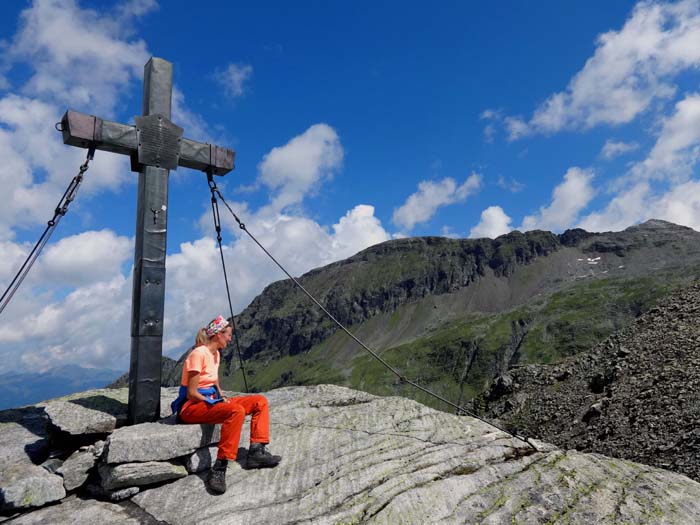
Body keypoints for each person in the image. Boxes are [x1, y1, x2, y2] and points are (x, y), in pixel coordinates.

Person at [170, 315, 281, 494]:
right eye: (228, 335)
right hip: (190, 407)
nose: (230, 339)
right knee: (235, 411)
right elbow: (191, 393)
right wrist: (213, 401)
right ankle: (219, 468)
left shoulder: (216, 354)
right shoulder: (198, 354)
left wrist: (221, 396)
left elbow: (213, 381)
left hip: (211, 400)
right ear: (218, 335)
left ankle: (256, 451)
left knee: (259, 401)